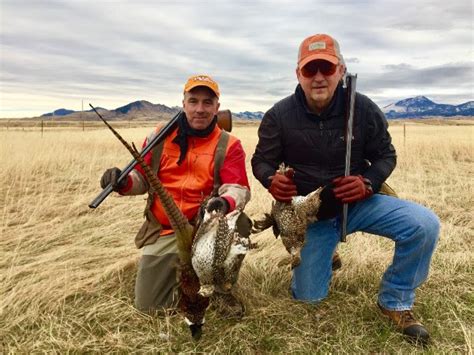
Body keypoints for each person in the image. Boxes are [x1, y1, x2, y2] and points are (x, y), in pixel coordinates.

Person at [251, 34, 440, 345]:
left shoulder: (363, 108)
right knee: (308, 298)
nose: (319, 77)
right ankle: (328, 255)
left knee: (424, 225)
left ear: (341, 69)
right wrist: (271, 179)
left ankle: (395, 300)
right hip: (312, 215)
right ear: (298, 74)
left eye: (327, 67)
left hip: (360, 203)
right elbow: (261, 160)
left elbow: (386, 155)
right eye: (310, 70)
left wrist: (368, 182)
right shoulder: (279, 116)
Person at [101, 74, 251, 318]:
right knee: (150, 307)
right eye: (193, 101)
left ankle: (222, 288)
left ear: (217, 108)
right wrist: (122, 181)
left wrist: (223, 203)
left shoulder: (229, 144)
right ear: (183, 104)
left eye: (207, 102)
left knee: (240, 223)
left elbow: (238, 188)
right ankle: (188, 279)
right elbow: (141, 179)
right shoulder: (159, 137)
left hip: (206, 229)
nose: (199, 109)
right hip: (166, 229)